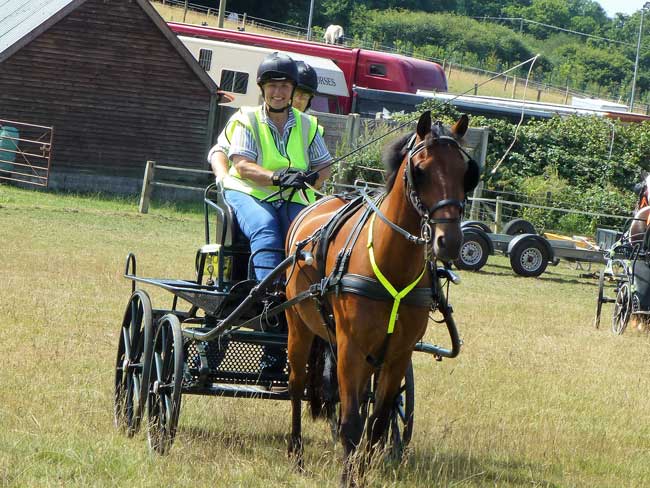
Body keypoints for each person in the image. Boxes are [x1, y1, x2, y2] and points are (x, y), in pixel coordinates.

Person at [214, 52, 332, 282]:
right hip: (249, 192)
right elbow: (243, 166)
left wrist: (311, 178)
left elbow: (324, 165)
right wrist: (277, 177)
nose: (278, 93)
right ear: (262, 88)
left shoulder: (308, 124)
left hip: (292, 196)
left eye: (285, 86)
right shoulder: (247, 119)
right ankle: (268, 295)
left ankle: (305, 294)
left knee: (310, 233)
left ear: (293, 89)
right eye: (271, 86)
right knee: (266, 228)